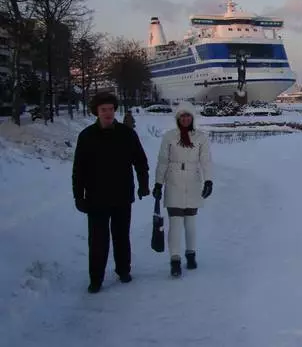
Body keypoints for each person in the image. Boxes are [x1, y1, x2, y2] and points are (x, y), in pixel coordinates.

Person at [72, 92, 150, 293]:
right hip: (96, 198)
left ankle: (123, 270)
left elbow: (140, 161)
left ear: (115, 110)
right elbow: (78, 169)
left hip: (122, 195)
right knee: (98, 240)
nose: (107, 113)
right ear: (96, 112)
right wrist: (78, 195)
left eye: (110, 109)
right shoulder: (87, 136)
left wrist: (143, 184)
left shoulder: (127, 134)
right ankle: (96, 278)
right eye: (103, 110)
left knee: (121, 236)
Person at [153, 101, 213, 277]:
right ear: (178, 118)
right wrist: (158, 183)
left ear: (192, 118)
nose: (185, 118)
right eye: (182, 116)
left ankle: (191, 253)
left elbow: (206, 161)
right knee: (176, 222)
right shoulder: (170, 137)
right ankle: (175, 259)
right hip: (173, 181)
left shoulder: (200, 137)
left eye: (188, 116)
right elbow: (163, 161)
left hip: (193, 181)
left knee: (190, 222)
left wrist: (208, 181)